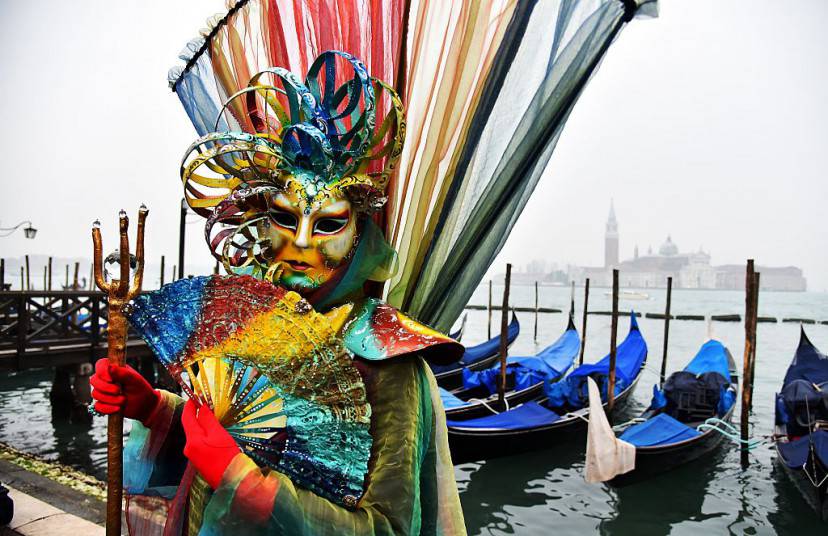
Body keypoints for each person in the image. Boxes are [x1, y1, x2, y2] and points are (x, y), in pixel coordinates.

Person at [90, 50, 467, 536]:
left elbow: (389, 528)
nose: (302, 242)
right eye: (285, 217)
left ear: (360, 235)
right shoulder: (255, 321)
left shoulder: (388, 361)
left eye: (328, 223)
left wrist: (249, 487)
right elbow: (239, 421)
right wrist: (153, 408)